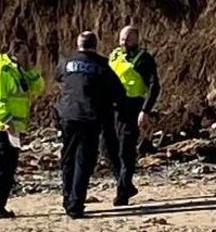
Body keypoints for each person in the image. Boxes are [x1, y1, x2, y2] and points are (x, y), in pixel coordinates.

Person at [51, 30, 125, 219]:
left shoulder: (66, 62)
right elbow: (118, 91)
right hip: (90, 116)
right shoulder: (101, 65)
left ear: (78, 44)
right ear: (95, 45)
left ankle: (67, 199)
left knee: (68, 158)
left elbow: (57, 77)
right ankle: (75, 204)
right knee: (84, 161)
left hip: (68, 115)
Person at [0, 36, 42, 219]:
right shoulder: (3, 71)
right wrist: (7, 121)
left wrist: (31, 70)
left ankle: (0, 206)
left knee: (9, 168)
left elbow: (38, 88)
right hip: (1, 127)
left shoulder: (20, 72)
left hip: (14, 129)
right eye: (24, 53)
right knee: (0, 167)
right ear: (15, 53)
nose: (27, 56)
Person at [103, 24, 160, 207]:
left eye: (127, 38)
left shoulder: (144, 59)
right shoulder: (114, 55)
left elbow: (154, 86)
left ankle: (122, 193)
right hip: (111, 108)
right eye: (121, 38)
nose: (123, 41)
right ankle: (125, 184)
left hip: (132, 107)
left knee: (125, 150)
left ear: (136, 39)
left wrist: (145, 110)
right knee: (106, 148)